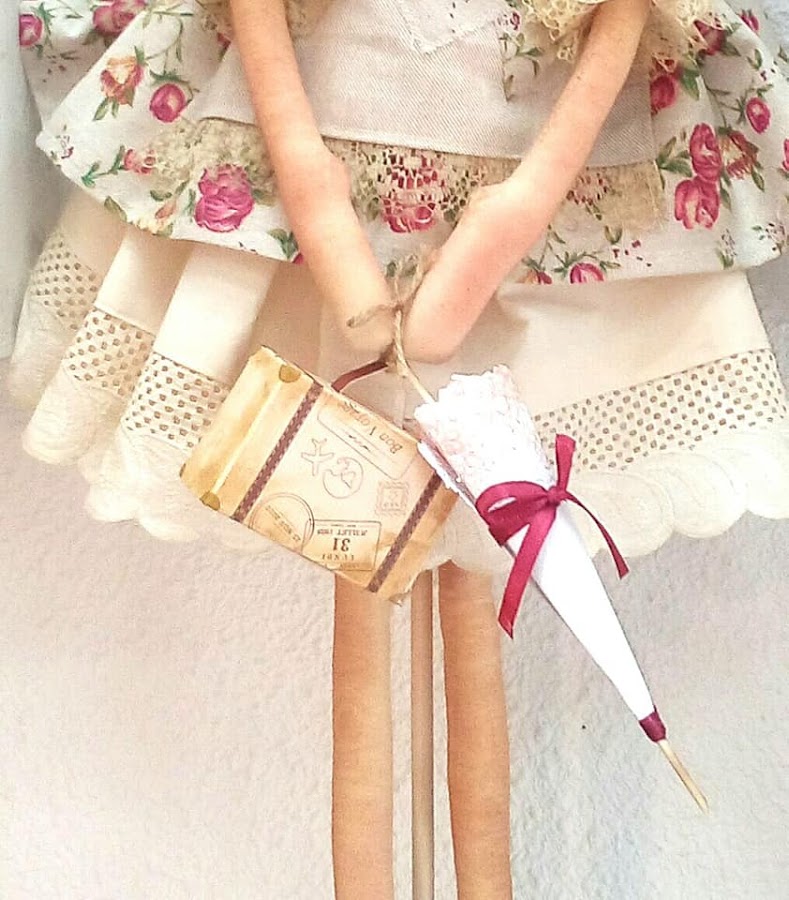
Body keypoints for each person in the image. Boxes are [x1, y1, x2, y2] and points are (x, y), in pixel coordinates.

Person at [9, 0, 789, 896]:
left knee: (459, 552)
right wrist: (321, 209)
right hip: (317, 168)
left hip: (542, 214)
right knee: (359, 534)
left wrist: (506, 220)